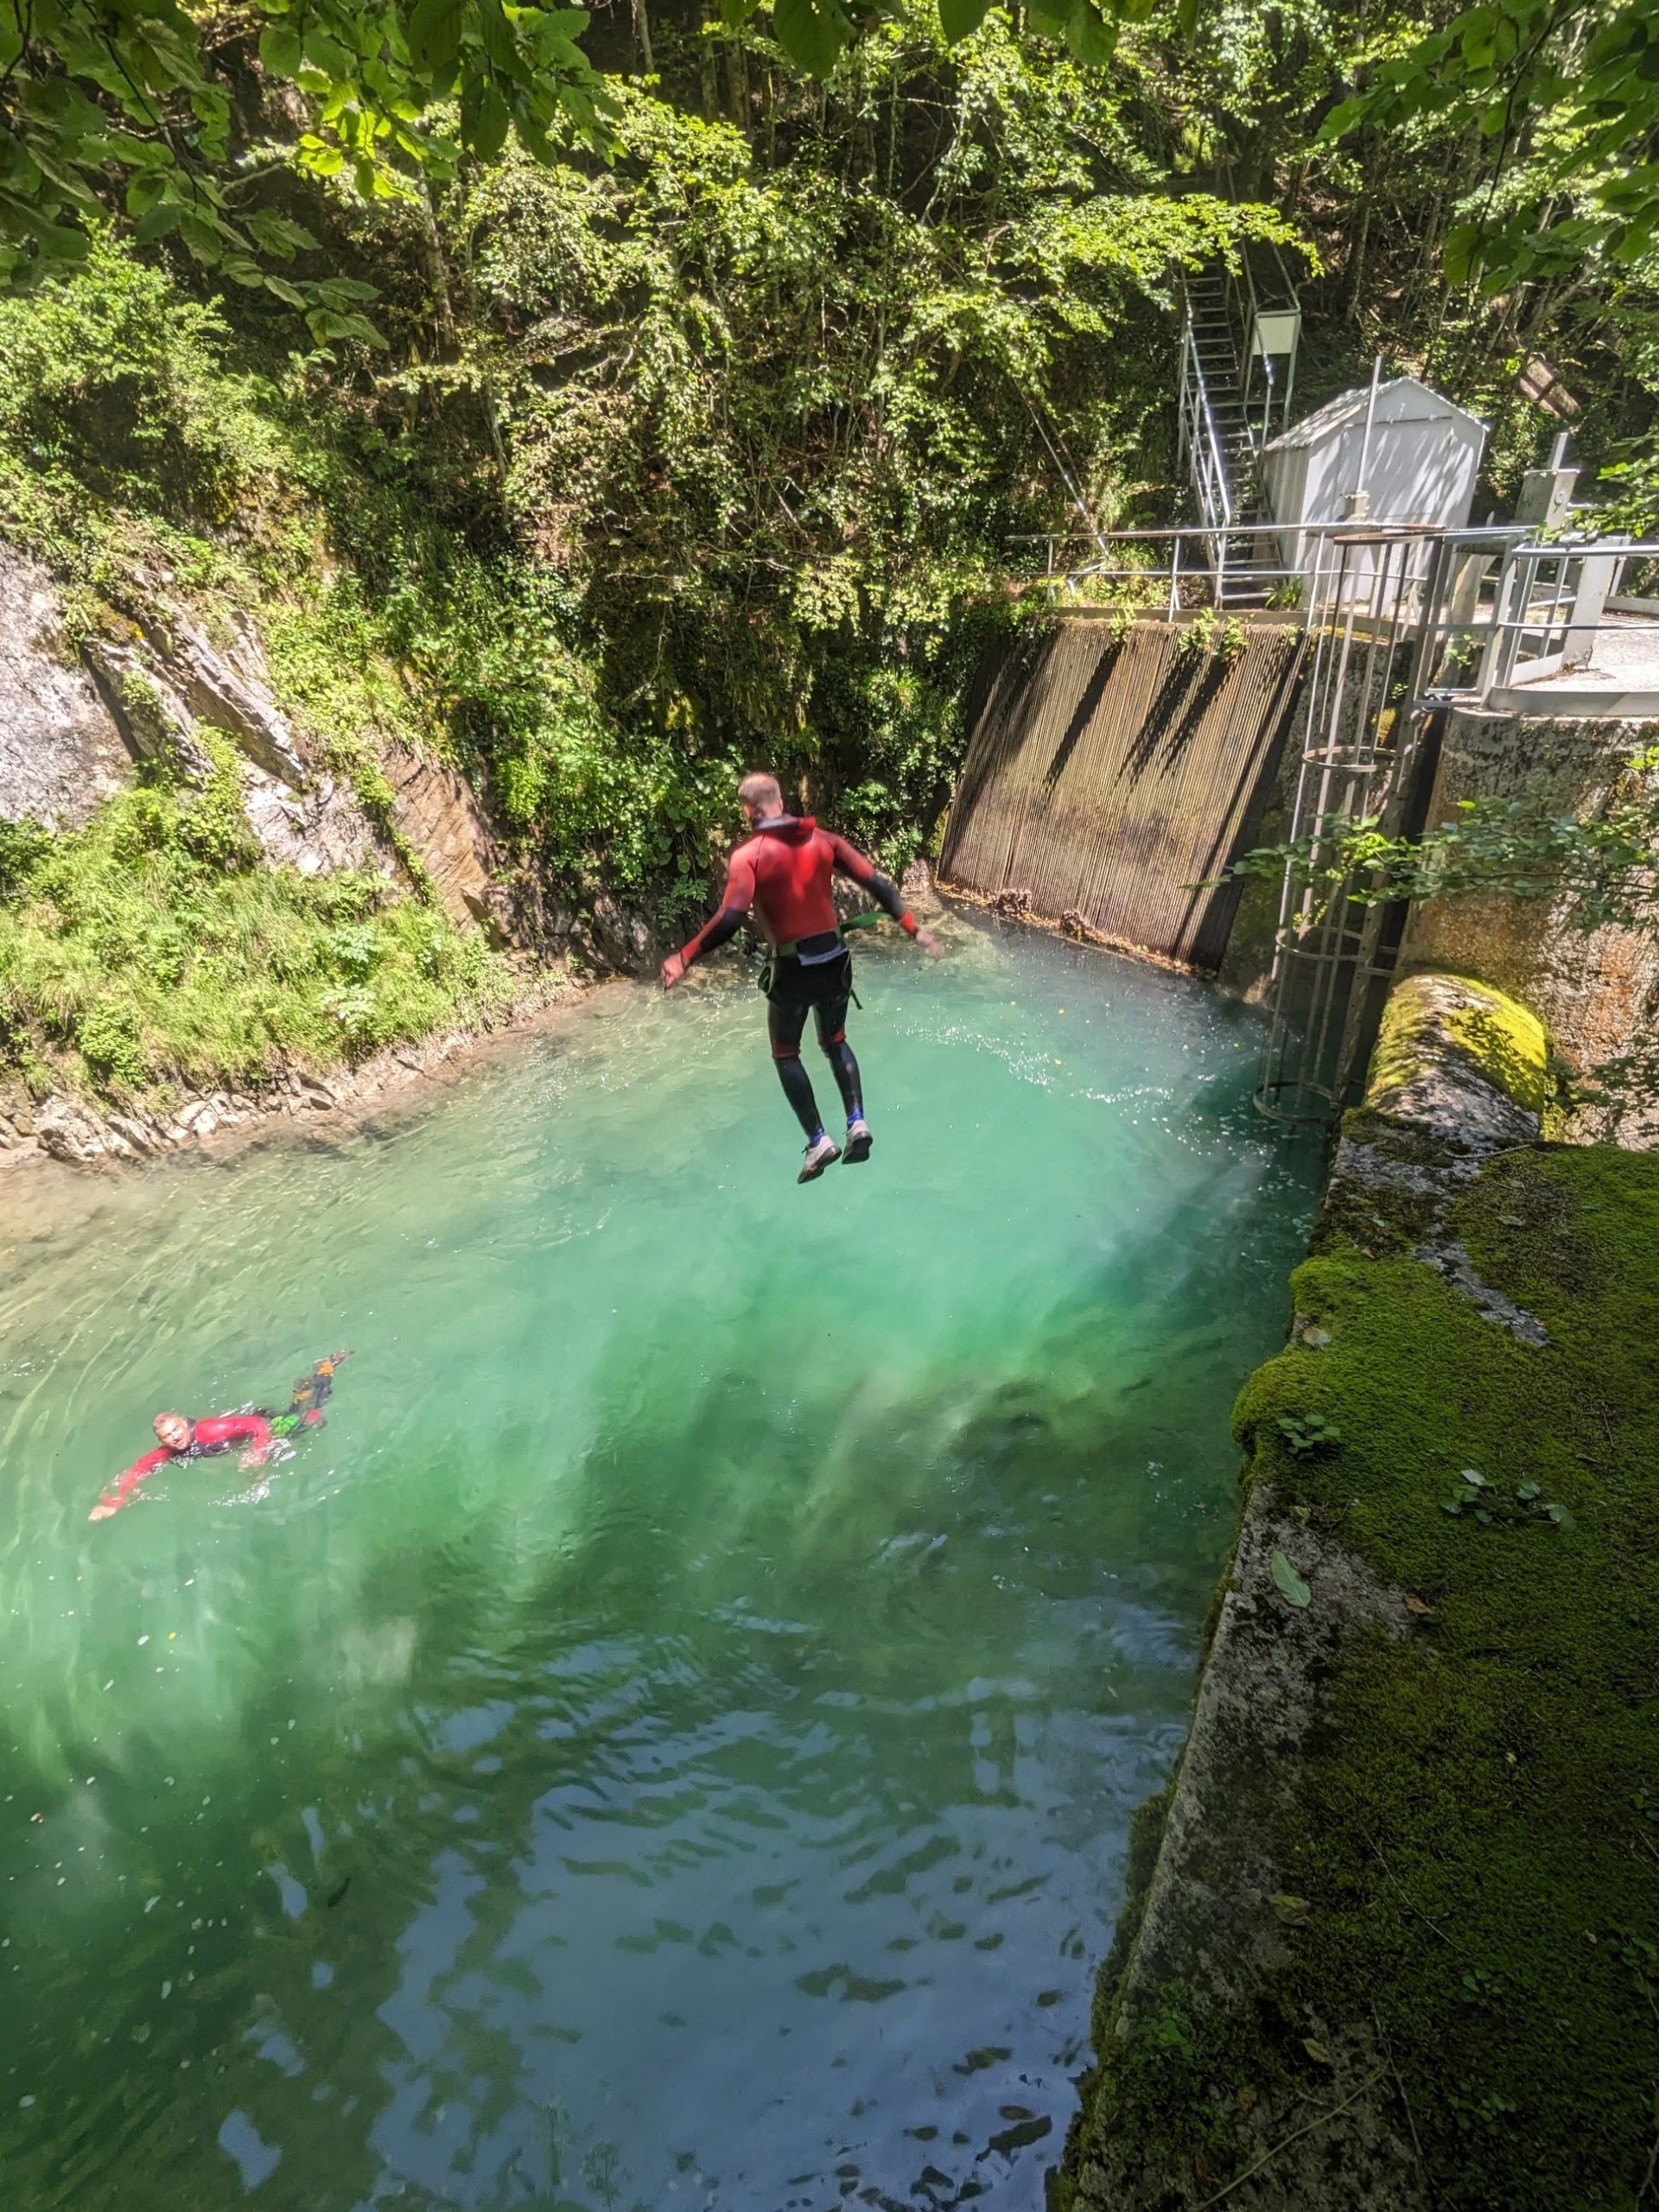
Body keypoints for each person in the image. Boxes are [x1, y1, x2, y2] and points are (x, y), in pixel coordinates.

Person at [661, 774, 940, 1180]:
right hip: (835, 960)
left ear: (749, 811)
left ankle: (818, 1142)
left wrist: (684, 956)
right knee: (835, 1041)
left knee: (785, 1053)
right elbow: (877, 883)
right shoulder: (825, 841)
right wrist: (915, 929)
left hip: (793, 969)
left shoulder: (749, 856)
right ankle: (857, 1121)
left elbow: (732, 918)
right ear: (780, 800)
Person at [89, 1352, 352, 1522]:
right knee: (300, 1413)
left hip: (264, 1426)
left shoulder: (209, 1430)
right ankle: (300, 1395)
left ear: (184, 1423)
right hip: (245, 1437)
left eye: (177, 1430)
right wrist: (114, 1503)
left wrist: (259, 1451)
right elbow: (137, 1470)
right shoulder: (168, 1452)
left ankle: (326, 1369)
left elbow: (256, 1426)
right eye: (168, 1436)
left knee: (314, 1417)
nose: (175, 1437)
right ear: (163, 1441)